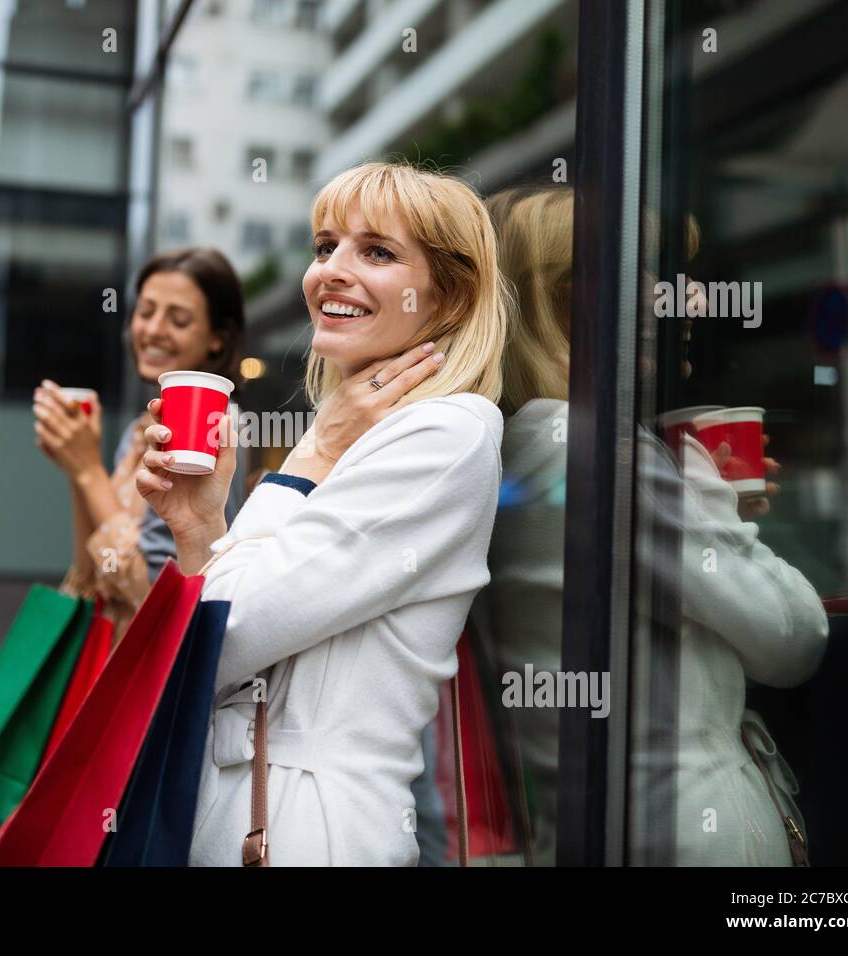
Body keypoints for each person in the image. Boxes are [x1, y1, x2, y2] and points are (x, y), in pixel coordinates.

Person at [136, 162, 512, 866]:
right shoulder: (354, 431)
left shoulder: (448, 433)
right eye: (324, 246)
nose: (332, 270)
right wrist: (198, 526)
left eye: (376, 252)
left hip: (311, 829)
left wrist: (310, 458)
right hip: (251, 811)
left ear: (451, 298)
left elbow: (226, 632)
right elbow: (207, 640)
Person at [479, 184, 828, 866]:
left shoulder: (518, 440)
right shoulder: (596, 448)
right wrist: (715, 512)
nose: (683, 299)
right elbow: (794, 639)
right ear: (566, 300)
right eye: (642, 273)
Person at [32, 248, 247, 642]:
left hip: (154, 670)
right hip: (111, 656)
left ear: (217, 339)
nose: (153, 329)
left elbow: (149, 596)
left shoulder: (218, 432)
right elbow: (90, 573)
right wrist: (77, 466)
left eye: (178, 319)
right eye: (146, 311)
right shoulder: (139, 432)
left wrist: (88, 469)